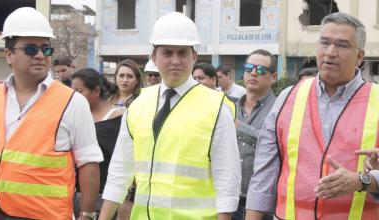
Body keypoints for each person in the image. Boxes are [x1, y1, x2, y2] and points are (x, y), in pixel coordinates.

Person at [99, 12, 241, 220]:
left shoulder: (217, 107)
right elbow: (120, 172)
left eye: (182, 53)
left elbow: (227, 179)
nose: (175, 61)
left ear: (194, 56)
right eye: (167, 53)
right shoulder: (138, 105)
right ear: (153, 57)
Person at [245, 12, 379, 220]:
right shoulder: (288, 97)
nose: (330, 52)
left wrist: (364, 180)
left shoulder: (376, 101)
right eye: (324, 43)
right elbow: (264, 172)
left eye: (342, 45)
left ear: (360, 57)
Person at [0, 7, 103, 220]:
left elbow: (89, 162)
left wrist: (88, 215)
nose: (39, 55)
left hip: (48, 215)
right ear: (9, 55)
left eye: (45, 49)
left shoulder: (73, 102)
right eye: (30, 49)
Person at [71, 68, 124, 218]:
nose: (74, 97)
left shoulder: (118, 118)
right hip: (77, 195)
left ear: (95, 91)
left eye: (79, 91)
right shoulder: (75, 117)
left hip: (106, 197)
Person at [232, 49, 277, 220]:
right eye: (249, 67)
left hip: (262, 205)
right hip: (229, 200)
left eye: (260, 70)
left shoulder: (280, 109)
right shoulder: (229, 108)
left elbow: (275, 144)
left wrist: (239, 127)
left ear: (274, 76)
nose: (253, 73)